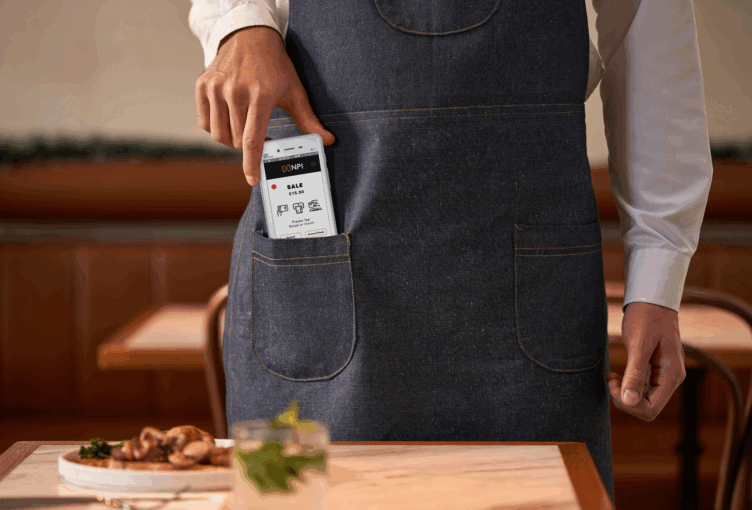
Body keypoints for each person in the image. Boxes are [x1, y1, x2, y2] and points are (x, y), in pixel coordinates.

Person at [189, 0, 712, 501]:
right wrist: (239, 22)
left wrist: (658, 275)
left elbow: (652, 27)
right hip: (324, 275)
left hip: (527, 299)